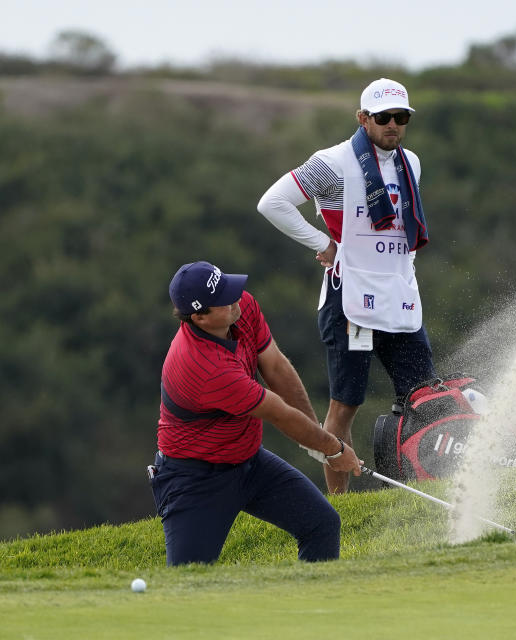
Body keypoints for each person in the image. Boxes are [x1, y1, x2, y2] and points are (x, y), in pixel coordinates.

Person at [257, 78, 435, 493]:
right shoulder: (333, 161)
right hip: (349, 300)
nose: (393, 124)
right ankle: (339, 507)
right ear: (362, 118)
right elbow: (273, 203)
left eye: (401, 117)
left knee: (424, 396)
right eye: (384, 117)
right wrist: (323, 243)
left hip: (399, 294)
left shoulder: (413, 162)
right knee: (345, 405)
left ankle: (426, 484)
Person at [151, 260, 362, 566]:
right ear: (199, 317)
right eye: (224, 298)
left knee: (321, 524)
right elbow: (278, 413)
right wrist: (333, 448)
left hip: (248, 462)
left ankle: (314, 608)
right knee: (189, 577)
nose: (236, 297)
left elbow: (276, 367)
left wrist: (317, 437)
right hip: (194, 479)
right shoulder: (203, 367)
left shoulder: (241, 307)